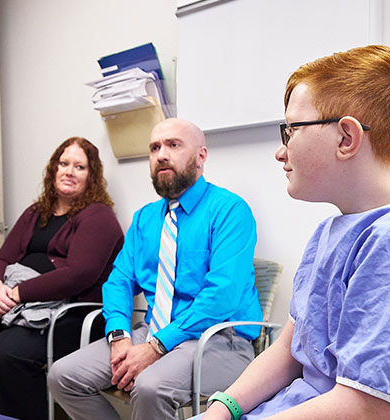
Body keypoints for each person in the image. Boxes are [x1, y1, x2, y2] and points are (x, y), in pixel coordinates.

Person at [194, 45, 390, 420]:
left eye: (291, 130)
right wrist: (223, 409)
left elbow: (363, 408)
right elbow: (289, 350)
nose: (280, 151)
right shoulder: (334, 231)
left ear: (346, 138)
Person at [48, 118, 262, 420]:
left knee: (150, 387)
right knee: (63, 375)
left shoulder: (230, 210)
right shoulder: (144, 218)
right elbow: (118, 281)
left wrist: (157, 347)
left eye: (173, 145)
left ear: (201, 156)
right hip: (152, 332)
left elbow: (220, 296)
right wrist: (119, 335)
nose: (161, 154)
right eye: (154, 147)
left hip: (220, 341)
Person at [0, 137, 124, 420]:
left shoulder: (98, 217)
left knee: (6, 357)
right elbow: (3, 258)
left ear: (92, 177)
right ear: (54, 168)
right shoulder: (35, 213)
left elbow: (78, 275)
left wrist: (17, 294)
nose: (69, 171)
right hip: (16, 306)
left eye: (80, 167)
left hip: (68, 313)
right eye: (64, 163)